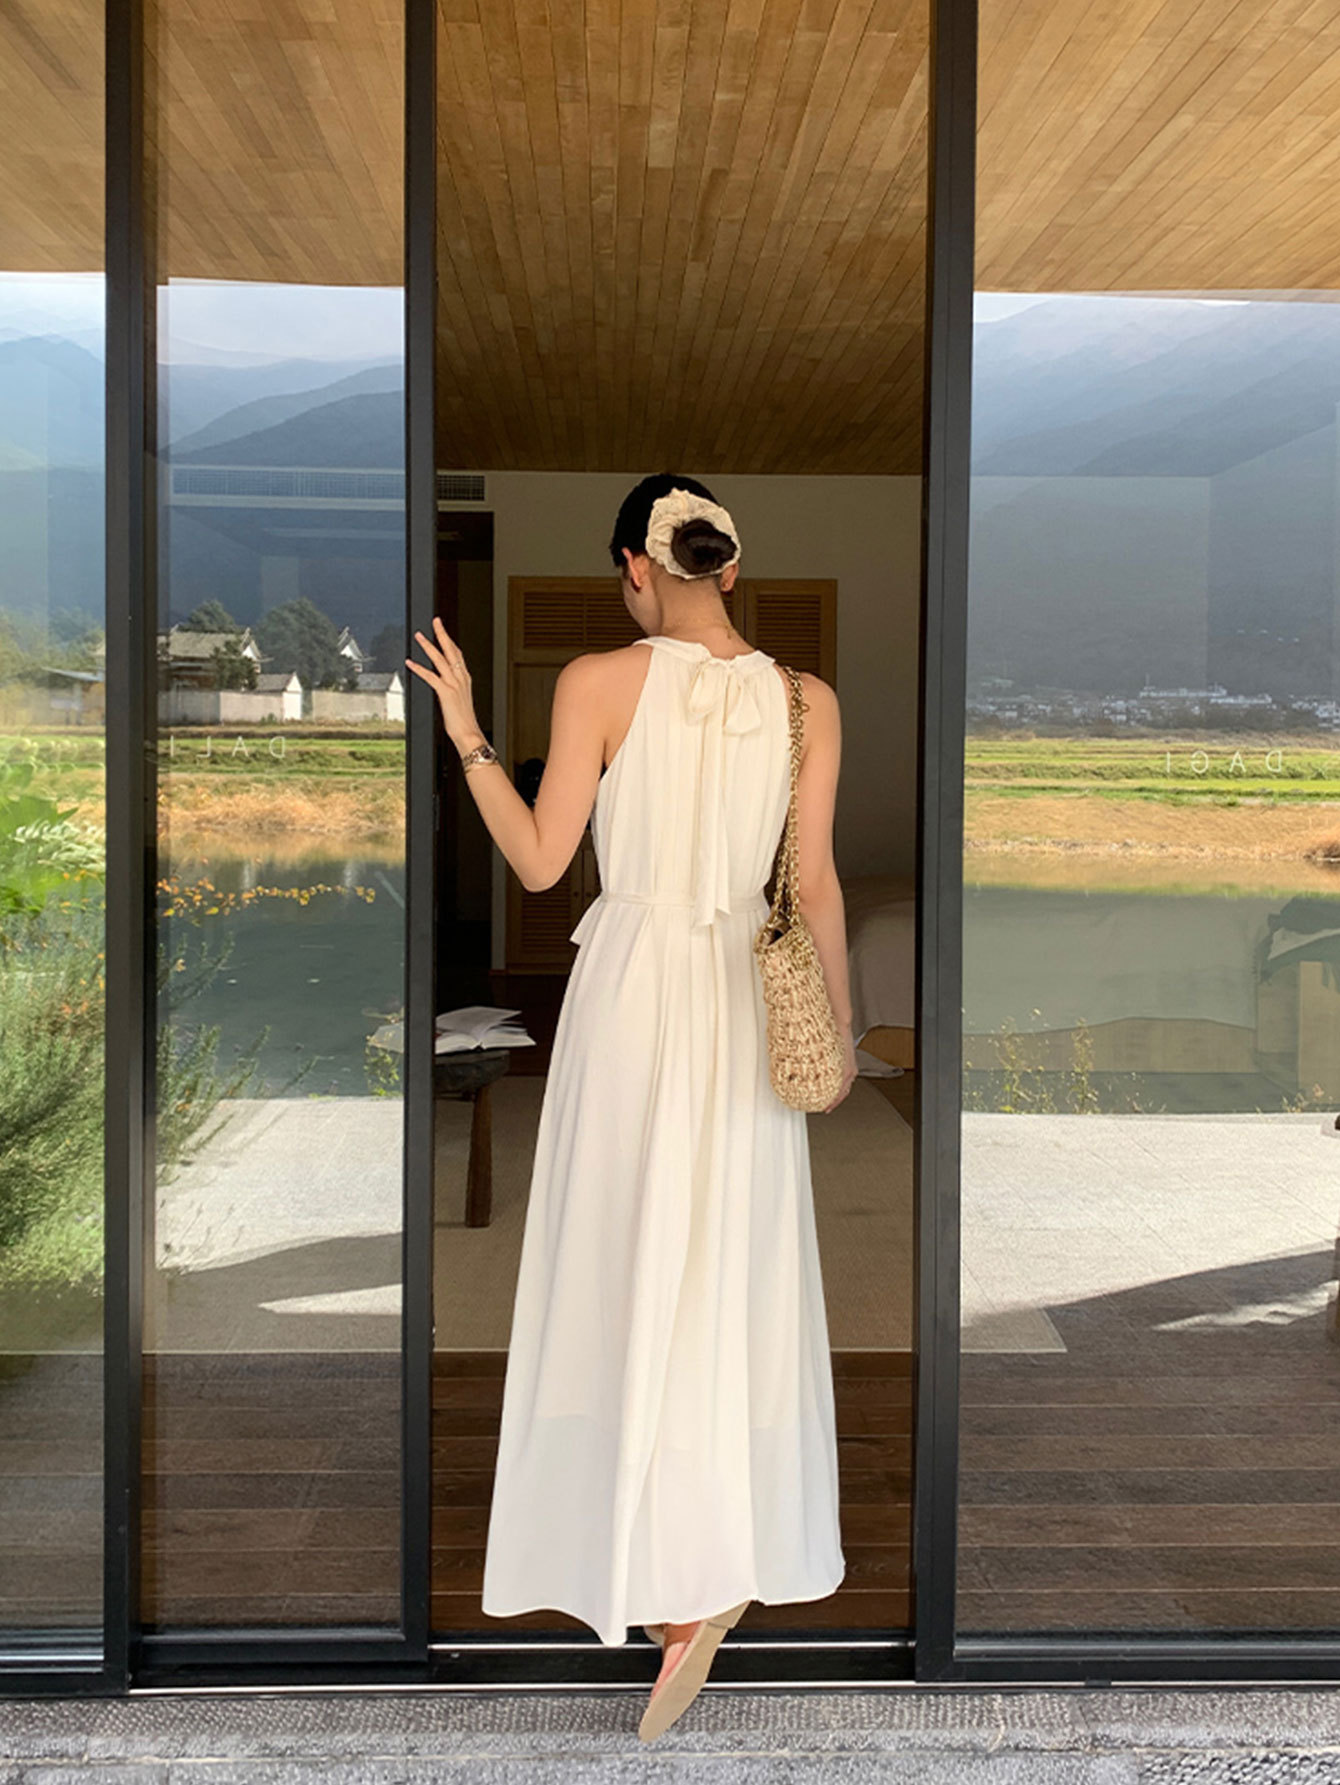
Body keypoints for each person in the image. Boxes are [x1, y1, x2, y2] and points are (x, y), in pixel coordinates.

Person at [405, 473, 858, 1741]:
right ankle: (709, 1561)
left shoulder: (597, 681)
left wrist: (467, 733)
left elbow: (541, 861)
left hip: (632, 990)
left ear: (633, 568)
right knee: (727, 1267)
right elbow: (816, 881)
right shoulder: (805, 698)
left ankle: (654, 1570)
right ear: (728, 565)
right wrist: (835, 1037)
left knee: (618, 1255)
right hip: (742, 995)